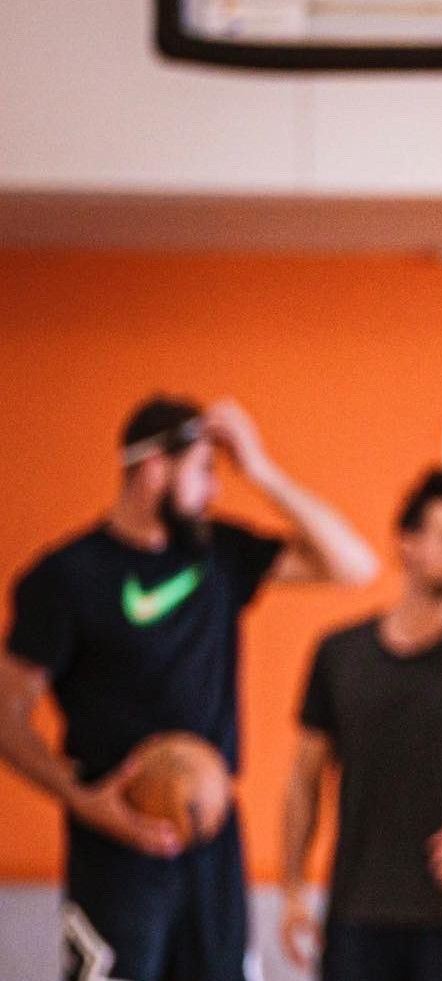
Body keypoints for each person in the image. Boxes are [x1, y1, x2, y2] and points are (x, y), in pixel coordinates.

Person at [0, 394, 377, 981]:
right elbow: (6, 717)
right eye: (204, 470)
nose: (216, 490)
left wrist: (261, 469)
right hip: (116, 847)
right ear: (154, 468)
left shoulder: (218, 554)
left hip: (212, 842)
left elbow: (355, 566)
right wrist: (83, 800)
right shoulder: (66, 577)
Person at [279, 469, 442, 981]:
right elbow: (303, 780)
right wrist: (292, 889)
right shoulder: (340, 655)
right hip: (357, 917)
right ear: (407, 543)